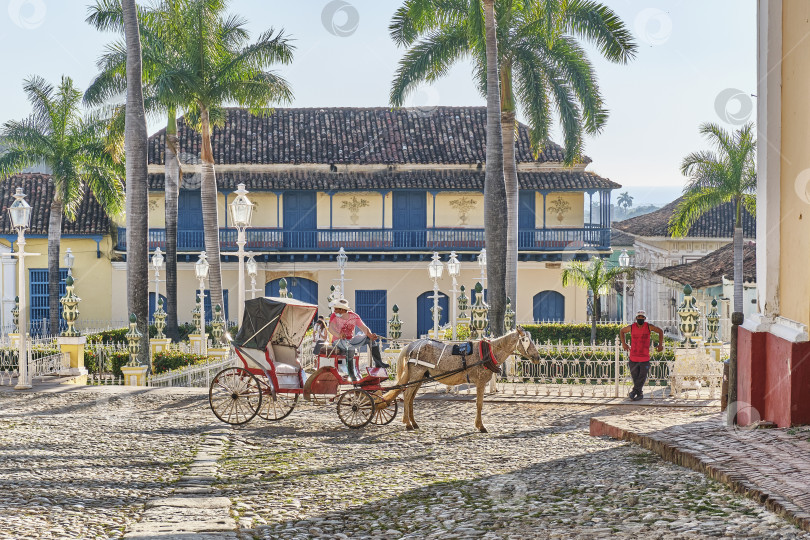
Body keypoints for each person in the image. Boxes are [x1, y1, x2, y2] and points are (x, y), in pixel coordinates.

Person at [328, 298, 389, 381]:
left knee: (369, 339)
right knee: (350, 348)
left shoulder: (354, 316)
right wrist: (339, 335)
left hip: (350, 340)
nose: (334, 311)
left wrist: (370, 335)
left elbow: (364, 328)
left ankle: (378, 363)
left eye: (336, 309)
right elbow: (330, 329)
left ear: (342, 309)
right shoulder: (333, 316)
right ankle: (351, 374)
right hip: (337, 341)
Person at [619, 310, 664, 401]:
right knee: (636, 377)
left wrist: (660, 344)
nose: (640, 318)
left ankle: (634, 392)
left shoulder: (649, 327)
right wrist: (624, 344)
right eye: (639, 317)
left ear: (644, 318)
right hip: (633, 356)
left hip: (644, 357)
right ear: (636, 318)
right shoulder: (632, 327)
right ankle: (639, 394)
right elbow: (622, 331)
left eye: (642, 317)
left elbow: (660, 331)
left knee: (642, 377)